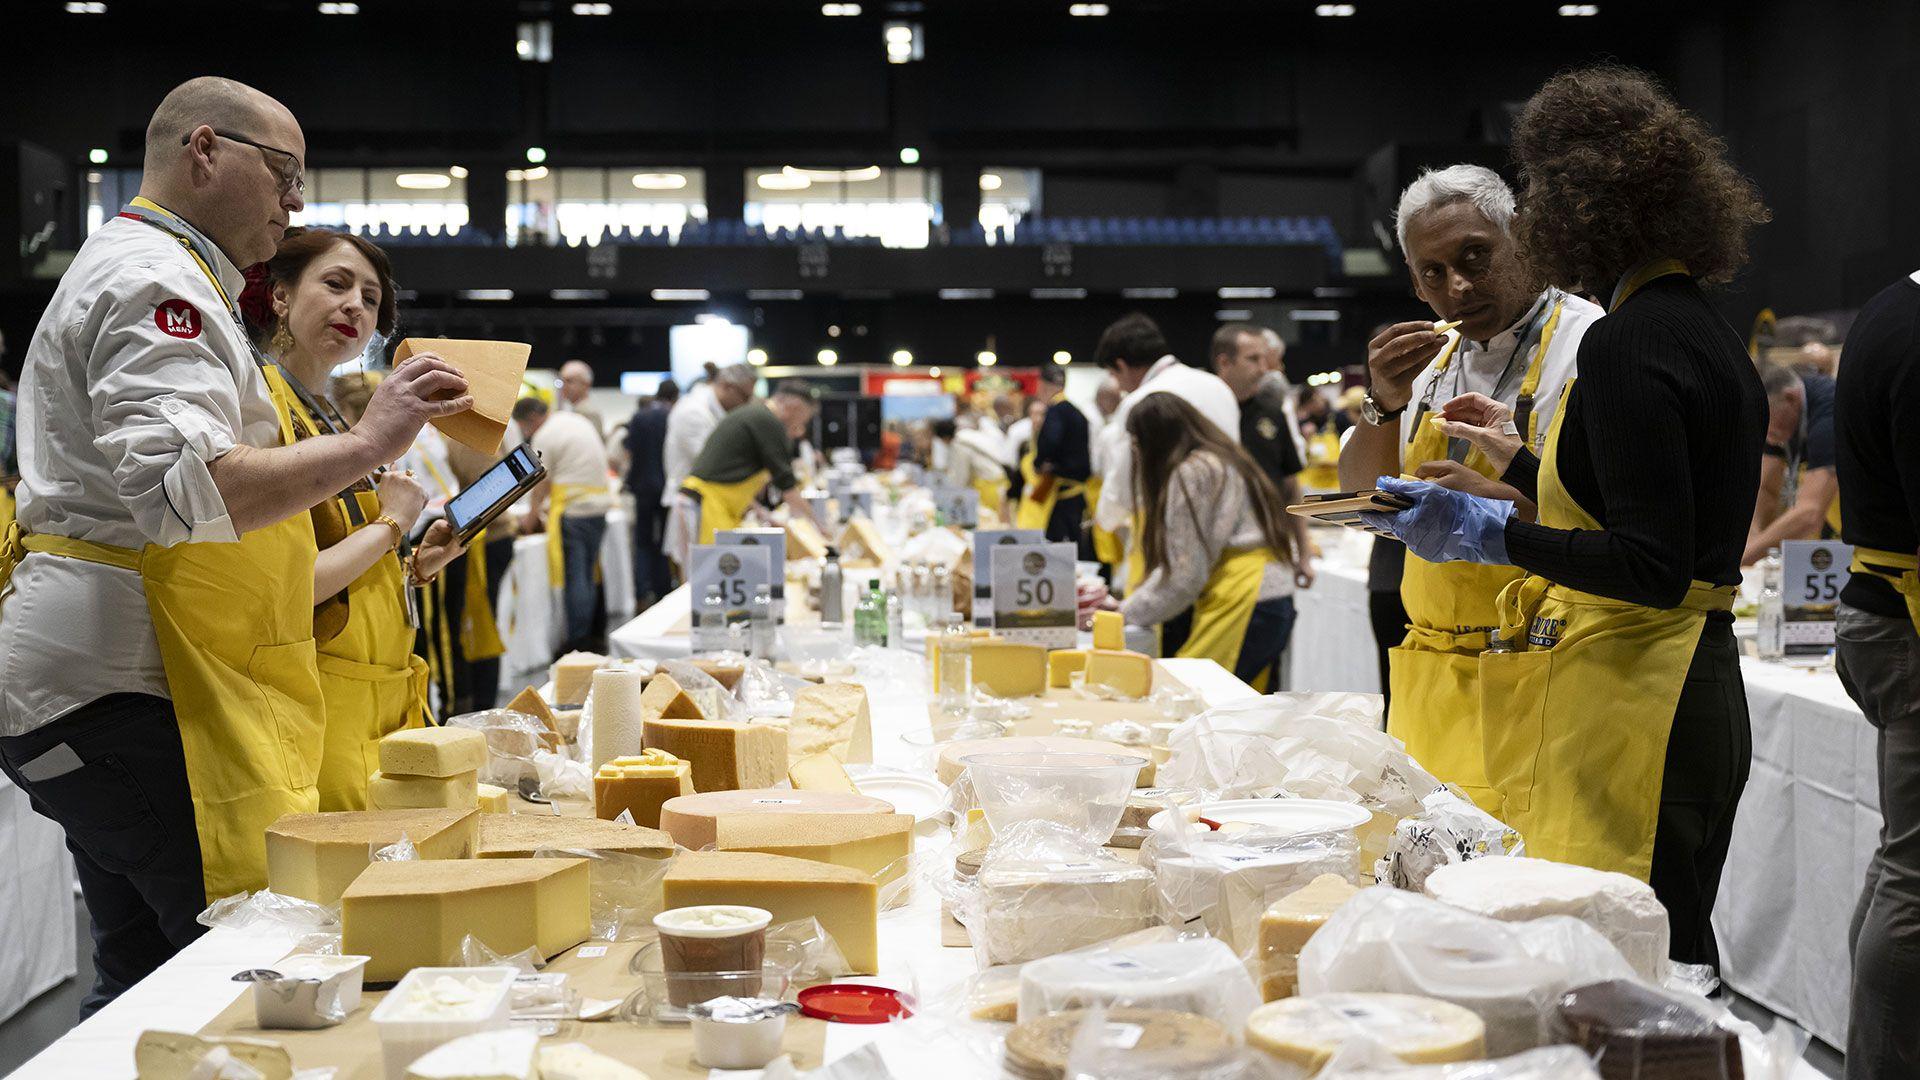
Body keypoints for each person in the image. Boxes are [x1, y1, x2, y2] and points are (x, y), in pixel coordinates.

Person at [0, 77, 469, 1014]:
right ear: (204, 151)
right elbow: (193, 490)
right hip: (112, 684)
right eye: (285, 173)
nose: (295, 201)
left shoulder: (155, 271)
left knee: (143, 974)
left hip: (92, 681)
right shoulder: (153, 279)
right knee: (257, 963)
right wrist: (374, 447)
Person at [1363, 66, 1770, 967]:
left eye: (1542, 192)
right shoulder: (1692, 325)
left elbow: (1648, 562)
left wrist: (1488, 530)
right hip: (1682, 678)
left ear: (1587, 205)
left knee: (1640, 959)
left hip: (1649, 688)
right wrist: (1531, 461)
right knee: (1664, 945)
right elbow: (1657, 508)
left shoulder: (1622, 341)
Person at [1336, 164, 1601, 811]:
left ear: (1523, 238)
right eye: (1433, 272)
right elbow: (1359, 495)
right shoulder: (1433, 358)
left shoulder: (1588, 341)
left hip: (1546, 662)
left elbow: (1610, 515)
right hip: (1437, 672)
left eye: (1475, 257)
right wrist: (1384, 401)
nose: (1457, 285)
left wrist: (1496, 505)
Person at [247, 228, 471, 809]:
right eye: (336, 283)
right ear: (280, 296)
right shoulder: (258, 410)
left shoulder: (325, 417)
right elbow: (288, 586)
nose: (355, 305)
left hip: (372, 699)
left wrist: (412, 564)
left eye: (370, 299)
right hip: (320, 702)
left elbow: (335, 565)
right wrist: (391, 525)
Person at [1831, 272, 1920, 1080]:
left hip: (1882, 611)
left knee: (1904, 856)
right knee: (1915, 878)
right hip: (1905, 620)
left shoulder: (1887, 307)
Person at [1100, 394, 1298, 685]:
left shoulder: (1192, 471)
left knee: (1187, 694)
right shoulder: (1223, 458)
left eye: (1136, 441)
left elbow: (1186, 575)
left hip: (1245, 598)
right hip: (1267, 595)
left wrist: (1125, 613)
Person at [1091, 312, 1241, 593]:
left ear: (1122, 366)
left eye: (1114, 375)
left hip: (1170, 540)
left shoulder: (1140, 402)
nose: (1118, 385)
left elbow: (1122, 485)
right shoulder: (1216, 386)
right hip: (1229, 533)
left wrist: (1106, 519)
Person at [671, 380, 823, 566]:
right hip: (705, 504)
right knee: (706, 579)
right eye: (803, 420)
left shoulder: (756, 414)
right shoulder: (767, 421)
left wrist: (763, 514)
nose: (801, 429)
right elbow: (787, 486)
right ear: (794, 407)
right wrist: (819, 529)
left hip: (708, 504)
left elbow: (731, 476)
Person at [1214, 322, 1315, 591]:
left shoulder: (1273, 412)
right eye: (1253, 359)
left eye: (1265, 359)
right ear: (1224, 362)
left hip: (1270, 560)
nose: (1263, 368)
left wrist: (1303, 553)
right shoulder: (1202, 413)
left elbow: (1291, 487)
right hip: (1216, 566)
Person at [514, 397, 612, 653]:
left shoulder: (545, 435)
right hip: (599, 506)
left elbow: (540, 483)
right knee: (591, 572)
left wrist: (531, 517)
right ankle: (596, 633)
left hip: (575, 510)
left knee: (577, 577)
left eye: (524, 427)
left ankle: (578, 643)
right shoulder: (573, 419)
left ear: (531, 420)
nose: (525, 433)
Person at [1742, 358, 1840, 564]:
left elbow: (1810, 514)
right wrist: (1753, 538)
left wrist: (1742, 560)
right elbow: (1766, 489)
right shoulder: (1777, 420)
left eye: (1767, 423)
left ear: (1790, 398)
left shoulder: (1830, 411)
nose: (1766, 434)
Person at [662, 364, 754, 567]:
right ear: (728, 387)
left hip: (708, 505)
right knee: (696, 580)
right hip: (693, 506)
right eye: (745, 396)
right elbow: (716, 466)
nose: (746, 404)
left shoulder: (709, 410)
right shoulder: (693, 411)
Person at [1015, 365, 1095, 546]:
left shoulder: (1056, 410)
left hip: (1061, 493)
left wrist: (1039, 463)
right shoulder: (1077, 412)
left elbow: (1051, 440)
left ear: (1043, 385)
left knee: (1057, 548)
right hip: (1078, 492)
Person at [624, 380, 679, 607]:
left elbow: (630, 450)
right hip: (666, 486)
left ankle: (641, 591)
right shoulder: (673, 417)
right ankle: (664, 588)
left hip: (643, 487)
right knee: (665, 540)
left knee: (643, 541)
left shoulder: (640, 416)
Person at [941, 413, 1012, 515]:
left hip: (989, 487)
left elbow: (961, 476)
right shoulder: (970, 435)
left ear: (944, 438)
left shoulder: (959, 445)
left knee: (992, 522)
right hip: (1001, 482)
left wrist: (951, 497)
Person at [556, 359, 606, 434]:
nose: (564, 386)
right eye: (562, 381)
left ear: (585, 385)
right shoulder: (578, 409)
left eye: (569, 381)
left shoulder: (589, 413)